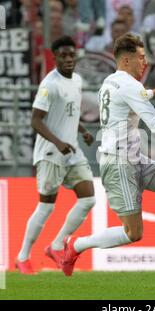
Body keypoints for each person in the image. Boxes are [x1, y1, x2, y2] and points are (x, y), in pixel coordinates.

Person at [61, 33, 155, 277]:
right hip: (118, 162)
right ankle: (76, 245)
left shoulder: (111, 81)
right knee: (133, 233)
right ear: (126, 60)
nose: (145, 63)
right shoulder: (131, 85)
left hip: (134, 157)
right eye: (141, 58)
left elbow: (130, 96)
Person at [15, 36, 96, 274]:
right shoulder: (49, 85)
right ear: (55, 57)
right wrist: (59, 142)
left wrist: (82, 131)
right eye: (63, 55)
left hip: (71, 151)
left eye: (72, 55)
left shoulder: (77, 80)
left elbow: (69, 112)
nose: (69, 59)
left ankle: (57, 244)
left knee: (89, 199)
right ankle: (22, 257)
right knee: (46, 207)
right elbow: (35, 120)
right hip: (51, 153)